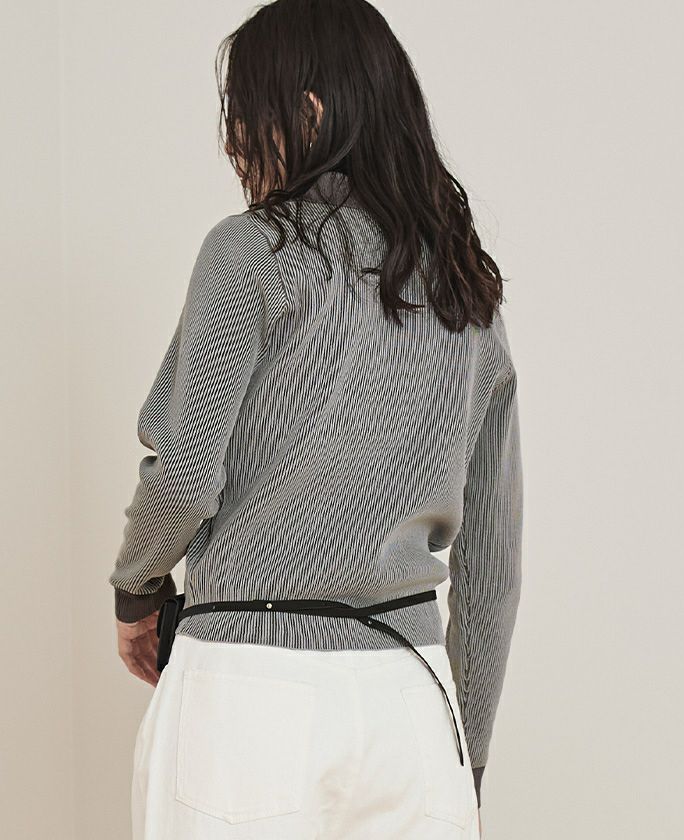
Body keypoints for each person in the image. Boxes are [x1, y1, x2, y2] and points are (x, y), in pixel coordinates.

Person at [108, 1, 523, 838]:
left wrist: (136, 589)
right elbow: (493, 567)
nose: (233, 142)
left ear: (309, 111)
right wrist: (463, 756)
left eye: (243, 112)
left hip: (251, 691)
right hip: (413, 702)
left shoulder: (251, 252)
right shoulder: (468, 296)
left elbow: (185, 477)